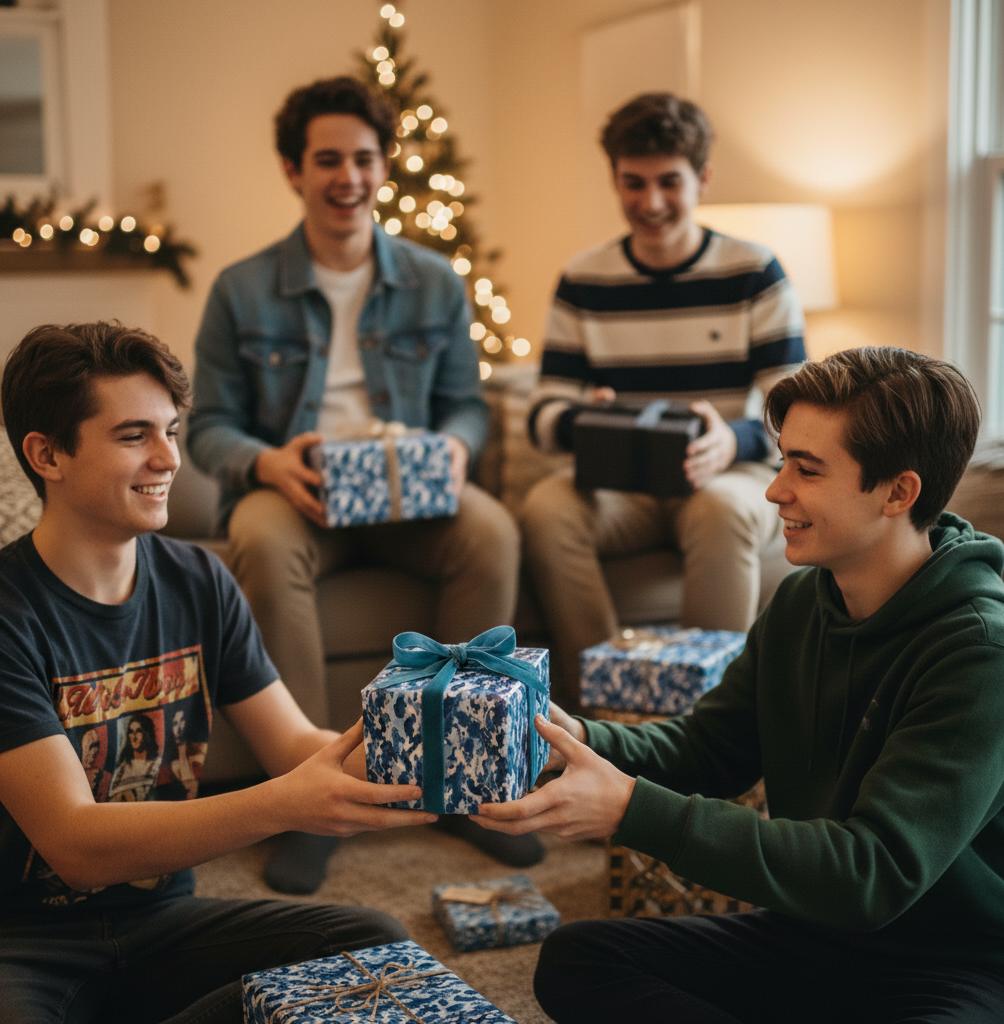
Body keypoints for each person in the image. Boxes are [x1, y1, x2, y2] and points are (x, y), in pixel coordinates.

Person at [478, 346, 1004, 1024]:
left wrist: (629, 809)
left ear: (898, 493)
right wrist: (576, 737)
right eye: (783, 459)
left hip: (947, 964)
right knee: (580, 959)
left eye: (806, 469)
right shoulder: (798, 602)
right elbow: (709, 749)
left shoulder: (979, 651)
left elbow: (869, 874)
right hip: (807, 934)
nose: (775, 489)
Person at [0, 321, 434, 1024]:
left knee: (377, 954)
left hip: (165, 924)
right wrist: (283, 804)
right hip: (16, 944)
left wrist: (429, 756)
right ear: (47, 454)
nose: (169, 458)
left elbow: (292, 744)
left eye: (171, 430)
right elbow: (74, 845)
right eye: (134, 436)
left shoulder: (200, 579)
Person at [187, 75, 533, 892]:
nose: (348, 176)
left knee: (492, 530)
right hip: (297, 494)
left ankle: (469, 785)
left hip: (408, 497)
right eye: (327, 159)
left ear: (385, 166)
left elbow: (465, 407)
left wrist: (454, 446)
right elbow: (206, 430)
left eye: (364, 159)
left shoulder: (432, 280)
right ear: (292, 170)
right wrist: (267, 463)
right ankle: (314, 794)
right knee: (262, 543)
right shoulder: (241, 288)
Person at [520, 92, 807, 709]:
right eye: (633, 183)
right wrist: (583, 420)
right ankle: (603, 714)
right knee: (546, 507)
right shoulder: (583, 279)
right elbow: (542, 415)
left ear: (702, 179)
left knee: (720, 511)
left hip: (728, 476)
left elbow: (797, 412)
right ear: (614, 180)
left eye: (668, 182)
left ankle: (712, 724)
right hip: (621, 488)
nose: (650, 203)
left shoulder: (757, 272)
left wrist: (732, 438)